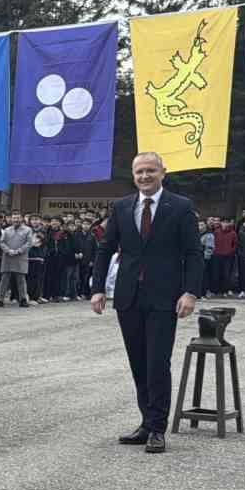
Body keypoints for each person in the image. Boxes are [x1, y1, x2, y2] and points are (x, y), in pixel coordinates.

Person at [90, 152, 202, 455]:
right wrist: (97, 288)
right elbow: (106, 249)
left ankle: (157, 428)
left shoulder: (180, 206)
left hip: (165, 296)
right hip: (128, 296)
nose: (145, 176)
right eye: (139, 171)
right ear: (133, 174)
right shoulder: (122, 206)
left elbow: (193, 252)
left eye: (150, 170)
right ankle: (145, 421)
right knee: (138, 363)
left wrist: (190, 292)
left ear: (163, 172)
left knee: (157, 363)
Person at [0, 212, 31, 308]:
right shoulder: (6, 230)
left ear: (22, 219)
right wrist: (8, 250)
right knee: (4, 279)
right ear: (11, 219)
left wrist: (19, 251)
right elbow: (1, 242)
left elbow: (29, 243)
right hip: (8, 257)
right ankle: (0, 300)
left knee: (21, 279)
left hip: (21, 257)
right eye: (14, 218)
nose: (16, 220)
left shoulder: (28, 230)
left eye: (18, 218)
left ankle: (23, 299)